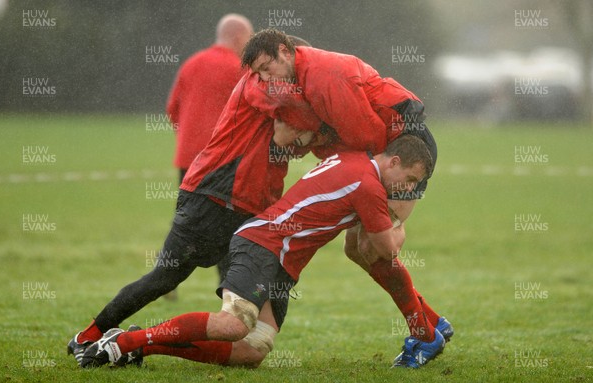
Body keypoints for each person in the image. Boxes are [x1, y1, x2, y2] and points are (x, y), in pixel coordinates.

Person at [81, 135, 445, 370]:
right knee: (232, 324)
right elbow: (385, 249)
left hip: (279, 263)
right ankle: (125, 342)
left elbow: (358, 246)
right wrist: (400, 224)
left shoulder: (351, 160)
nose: (408, 188)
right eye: (410, 180)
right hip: (262, 245)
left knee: (252, 350)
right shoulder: (368, 186)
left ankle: (141, 344)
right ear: (393, 161)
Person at [66, 36, 321, 366]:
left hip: (250, 212)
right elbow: (295, 121)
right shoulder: (258, 83)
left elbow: (295, 138)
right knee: (167, 277)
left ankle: (146, 343)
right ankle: (89, 336)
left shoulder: (280, 89)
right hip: (212, 197)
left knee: (253, 320)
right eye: (300, 68)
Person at [240, 29, 453, 365]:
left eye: (268, 69)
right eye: (259, 75)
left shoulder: (324, 78)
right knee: (355, 249)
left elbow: (370, 137)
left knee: (374, 247)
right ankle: (431, 320)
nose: (266, 79)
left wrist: (316, 140)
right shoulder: (301, 77)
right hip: (386, 149)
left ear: (287, 53)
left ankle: (425, 335)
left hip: (405, 150)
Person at [164, 15, 253, 294]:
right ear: (239, 38)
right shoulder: (240, 68)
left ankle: (164, 275)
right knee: (227, 223)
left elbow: (172, 109)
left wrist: (189, 139)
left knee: (184, 220)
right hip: (221, 162)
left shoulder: (192, 63)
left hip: (188, 159)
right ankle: (228, 285)